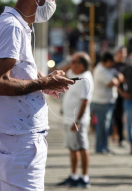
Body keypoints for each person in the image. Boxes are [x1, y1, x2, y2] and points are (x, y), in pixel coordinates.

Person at [0, 0, 75, 190]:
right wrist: (44, 84)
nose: (54, 4)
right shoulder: (12, 26)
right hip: (21, 141)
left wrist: (46, 81)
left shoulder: (18, 26)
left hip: (19, 139)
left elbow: (18, 73)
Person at [57, 52, 94, 188]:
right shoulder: (77, 75)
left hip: (77, 121)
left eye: (74, 62)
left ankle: (84, 177)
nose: (71, 65)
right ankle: (74, 176)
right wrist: (71, 63)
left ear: (82, 65)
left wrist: (77, 121)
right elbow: (61, 74)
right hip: (70, 119)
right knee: (73, 148)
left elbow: (85, 102)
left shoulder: (85, 78)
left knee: (82, 147)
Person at [91, 52, 120, 154]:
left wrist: (117, 79)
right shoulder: (100, 70)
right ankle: (100, 148)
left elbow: (117, 78)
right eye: (111, 62)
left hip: (107, 101)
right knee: (102, 127)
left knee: (106, 127)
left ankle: (104, 147)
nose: (112, 65)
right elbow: (111, 83)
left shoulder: (107, 69)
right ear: (106, 61)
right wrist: (117, 80)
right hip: (101, 102)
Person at [112, 46, 128, 147]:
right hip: (115, 94)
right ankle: (115, 135)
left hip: (125, 95)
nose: (122, 54)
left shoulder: (127, 65)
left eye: (123, 52)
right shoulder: (113, 65)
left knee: (121, 117)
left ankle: (121, 137)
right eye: (120, 52)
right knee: (115, 116)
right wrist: (120, 91)